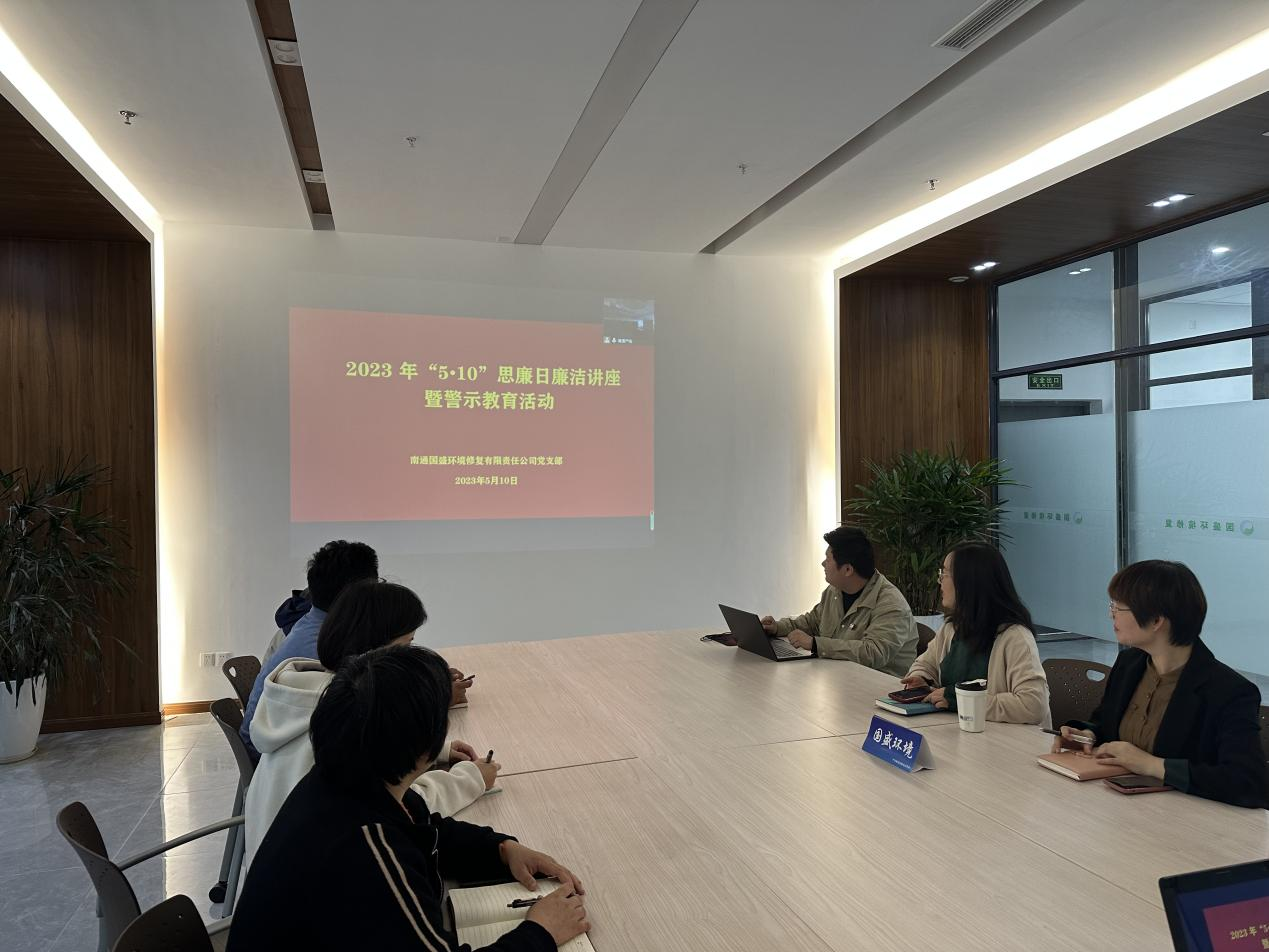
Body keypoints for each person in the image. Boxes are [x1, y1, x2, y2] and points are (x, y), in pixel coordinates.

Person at [228, 644, 589, 952]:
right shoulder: (366, 850)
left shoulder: (344, 778)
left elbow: (427, 830)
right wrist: (541, 932)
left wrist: (502, 849)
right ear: (426, 746)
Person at [242, 580, 497, 881]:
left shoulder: (309, 695)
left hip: (287, 876)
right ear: (374, 651)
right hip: (319, 888)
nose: (410, 660)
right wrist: (470, 780)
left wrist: (434, 747)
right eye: (406, 646)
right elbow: (393, 811)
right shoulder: (342, 724)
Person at [1052, 561, 1267, 809]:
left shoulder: (1229, 691)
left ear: (1156, 620)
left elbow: (1247, 782)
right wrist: (1087, 736)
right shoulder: (1129, 664)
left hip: (1185, 819)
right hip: (1120, 807)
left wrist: (1152, 765)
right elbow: (1105, 724)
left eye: (1119, 607)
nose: (1111, 614)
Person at [240, 540, 380, 754]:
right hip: (274, 755)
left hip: (271, 742)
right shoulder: (323, 649)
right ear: (357, 596)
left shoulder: (309, 624)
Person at [899, 542, 1049, 725]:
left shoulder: (1015, 636)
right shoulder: (953, 627)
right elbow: (925, 664)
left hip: (1004, 737)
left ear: (968, 582)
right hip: (958, 729)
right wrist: (921, 680)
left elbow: (1033, 706)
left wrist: (962, 701)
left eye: (945, 574)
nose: (940, 581)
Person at [761, 526, 918, 677]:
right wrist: (777, 627)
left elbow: (873, 653)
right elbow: (812, 622)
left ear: (848, 570)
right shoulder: (834, 591)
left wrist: (816, 644)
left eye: (828, 559)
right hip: (839, 678)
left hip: (880, 687)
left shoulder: (891, 604)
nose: (823, 564)